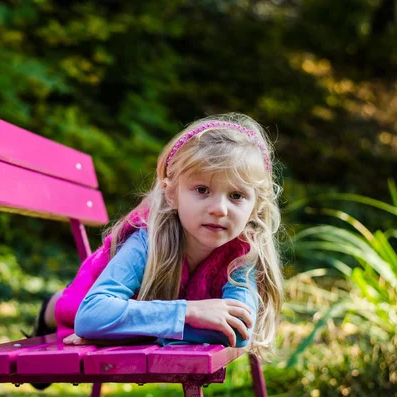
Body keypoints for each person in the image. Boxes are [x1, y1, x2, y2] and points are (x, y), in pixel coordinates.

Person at [28, 113, 284, 389]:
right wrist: (188, 313)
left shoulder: (243, 254)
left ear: (256, 206)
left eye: (236, 196)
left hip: (136, 311)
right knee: (71, 305)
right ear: (172, 193)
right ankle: (50, 309)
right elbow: (91, 317)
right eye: (202, 189)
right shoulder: (147, 240)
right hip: (98, 296)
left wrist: (127, 332)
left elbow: (237, 331)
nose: (219, 208)